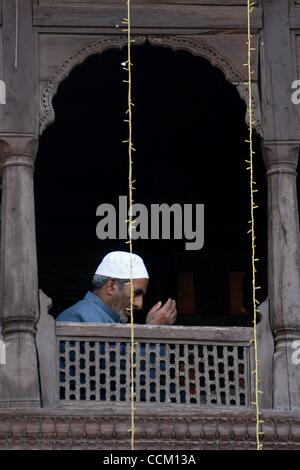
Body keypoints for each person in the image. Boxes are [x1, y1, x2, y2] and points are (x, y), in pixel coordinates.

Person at [56, 251, 177, 325]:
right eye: (135, 293)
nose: (139, 305)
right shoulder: (80, 317)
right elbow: (116, 365)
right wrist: (153, 331)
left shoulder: (103, 317)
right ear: (111, 286)